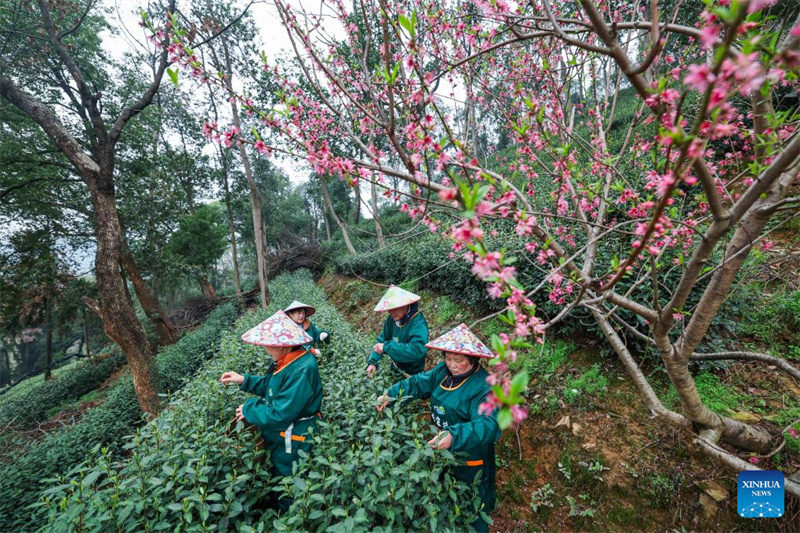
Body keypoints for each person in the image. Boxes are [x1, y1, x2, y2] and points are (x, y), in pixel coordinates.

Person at [376, 323, 501, 531]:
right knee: (449, 496)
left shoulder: (483, 387)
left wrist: (454, 434)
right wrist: (392, 394)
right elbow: (418, 384)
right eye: (448, 358)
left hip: (471, 456)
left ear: (473, 359)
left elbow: (490, 424)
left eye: (458, 360)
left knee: (474, 504)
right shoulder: (442, 371)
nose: (452, 364)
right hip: (443, 447)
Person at [220, 310, 323, 511]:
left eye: (268, 344)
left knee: (290, 480)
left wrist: (249, 408)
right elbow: (272, 385)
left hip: (296, 437)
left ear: (282, 344)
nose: (265, 348)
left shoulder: (302, 368)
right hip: (285, 434)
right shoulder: (288, 360)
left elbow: (280, 413)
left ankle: (290, 517)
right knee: (279, 474)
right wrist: (244, 380)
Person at [366, 285, 429, 378]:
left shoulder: (418, 323)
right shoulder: (392, 320)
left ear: (405, 304)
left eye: (395, 308)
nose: (391, 312)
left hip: (412, 376)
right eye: (389, 309)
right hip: (395, 370)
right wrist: (373, 362)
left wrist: (388, 347)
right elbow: (382, 339)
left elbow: (418, 350)